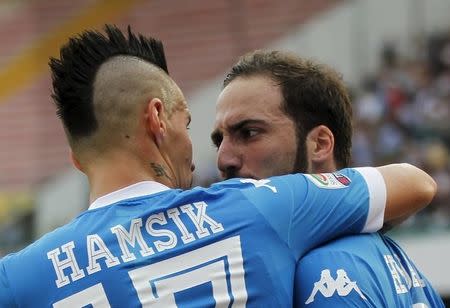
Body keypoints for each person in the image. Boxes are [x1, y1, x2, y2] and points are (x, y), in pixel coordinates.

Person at [0, 25, 436, 307]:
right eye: (188, 124)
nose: (221, 159)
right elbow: (415, 183)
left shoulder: (17, 277)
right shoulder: (258, 209)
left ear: (76, 159)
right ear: (156, 119)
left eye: (248, 133)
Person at [211, 50, 445, 307]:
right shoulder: (399, 263)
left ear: (319, 144)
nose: (224, 160)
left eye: (249, 132)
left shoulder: (324, 270)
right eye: (219, 141)